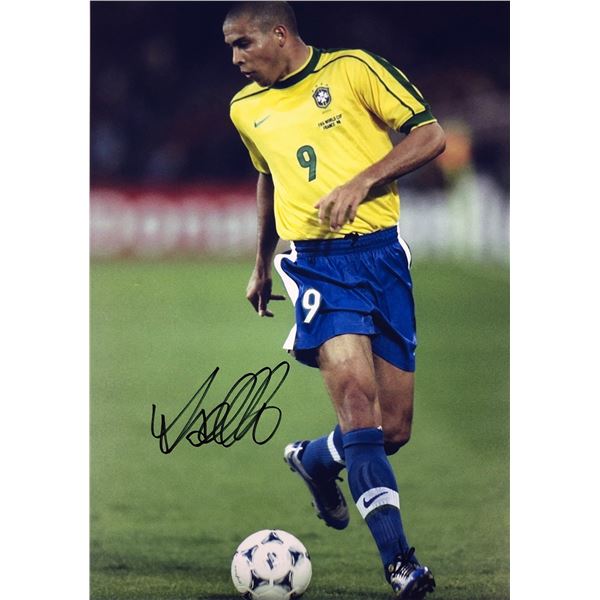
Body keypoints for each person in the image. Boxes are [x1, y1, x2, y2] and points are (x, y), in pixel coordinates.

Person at [223, 2, 445, 598]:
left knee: (391, 429)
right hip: (317, 265)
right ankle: (400, 563)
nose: (236, 58)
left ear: (279, 34)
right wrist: (261, 263)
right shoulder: (245, 108)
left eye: (243, 43)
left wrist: (362, 180)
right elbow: (269, 178)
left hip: (382, 257)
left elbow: (431, 135)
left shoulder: (353, 70)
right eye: (231, 47)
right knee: (357, 406)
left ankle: (318, 460)